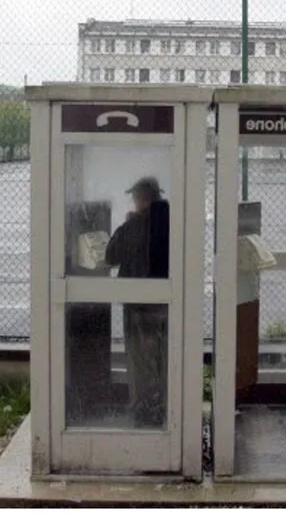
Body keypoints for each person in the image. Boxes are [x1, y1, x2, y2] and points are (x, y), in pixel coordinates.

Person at [105, 176, 169, 427]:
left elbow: (111, 256)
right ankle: (165, 405)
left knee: (141, 361)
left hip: (139, 305)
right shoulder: (173, 220)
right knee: (164, 357)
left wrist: (128, 223)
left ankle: (144, 410)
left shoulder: (136, 225)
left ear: (141, 199)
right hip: (166, 303)